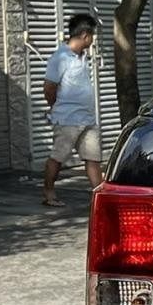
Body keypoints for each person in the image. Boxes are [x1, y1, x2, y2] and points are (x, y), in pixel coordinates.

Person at [42, 12, 103, 207]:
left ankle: (100, 197)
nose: (93, 39)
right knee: (58, 157)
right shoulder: (60, 57)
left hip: (87, 119)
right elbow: (49, 88)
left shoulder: (83, 56)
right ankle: (49, 194)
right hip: (67, 119)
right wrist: (56, 108)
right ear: (85, 35)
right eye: (92, 35)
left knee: (93, 158)